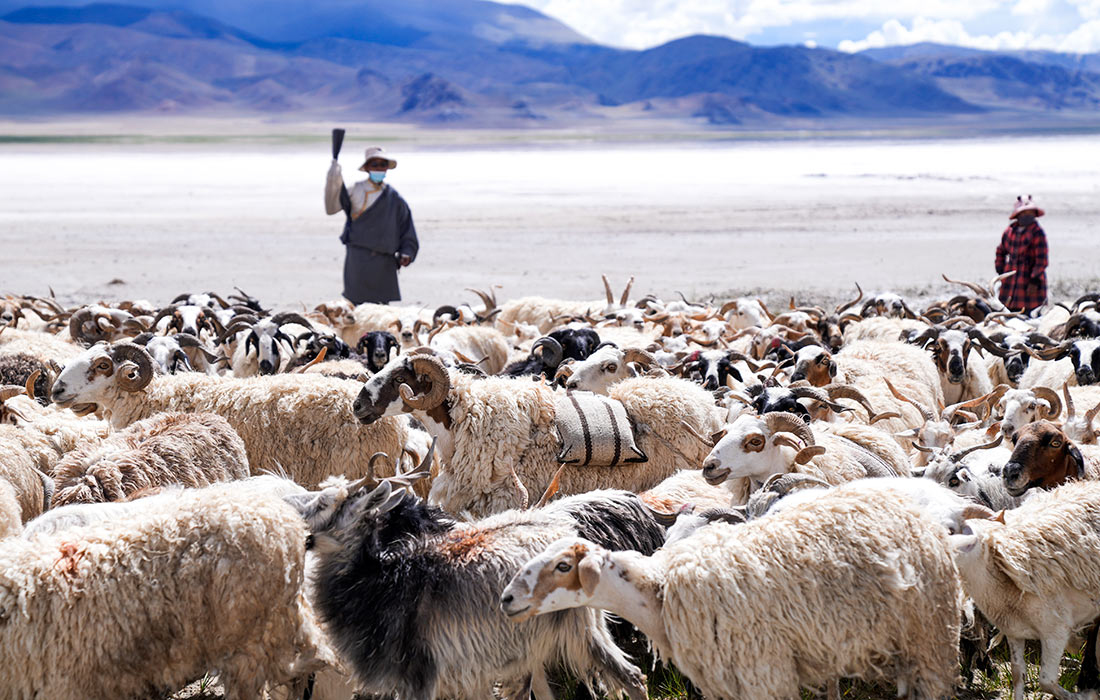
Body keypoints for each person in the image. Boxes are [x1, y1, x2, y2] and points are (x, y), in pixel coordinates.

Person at [324, 146, 419, 304]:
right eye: (375, 165)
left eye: (383, 165)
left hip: (384, 263)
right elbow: (331, 207)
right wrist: (333, 177)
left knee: (381, 311)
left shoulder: (394, 198)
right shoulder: (355, 190)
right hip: (358, 259)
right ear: (367, 167)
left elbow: (406, 228)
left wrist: (407, 252)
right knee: (356, 306)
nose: (379, 168)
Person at [995, 195, 1048, 314]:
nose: (1027, 216)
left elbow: (1041, 260)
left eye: (1030, 213)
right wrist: (1001, 270)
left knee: (1031, 313)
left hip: (1029, 280)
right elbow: (1000, 251)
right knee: (1006, 311)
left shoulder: (1037, 232)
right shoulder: (1009, 231)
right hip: (1010, 279)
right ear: (1018, 215)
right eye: (1024, 213)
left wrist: (1034, 280)